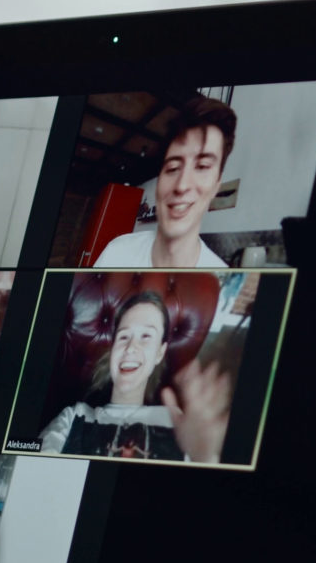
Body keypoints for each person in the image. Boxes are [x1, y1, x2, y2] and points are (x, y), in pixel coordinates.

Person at [39, 291, 230, 463]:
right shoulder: (73, 417)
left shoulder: (178, 423)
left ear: (159, 353)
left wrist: (206, 457)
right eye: (123, 337)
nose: (131, 348)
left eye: (146, 336)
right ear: (113, 347)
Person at [93, 96, 236, 269]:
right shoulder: (116, 254)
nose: (182, 185)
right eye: (173, 168)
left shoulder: (219, 284)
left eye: (202, 166)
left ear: (216, 185)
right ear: (160, 178)